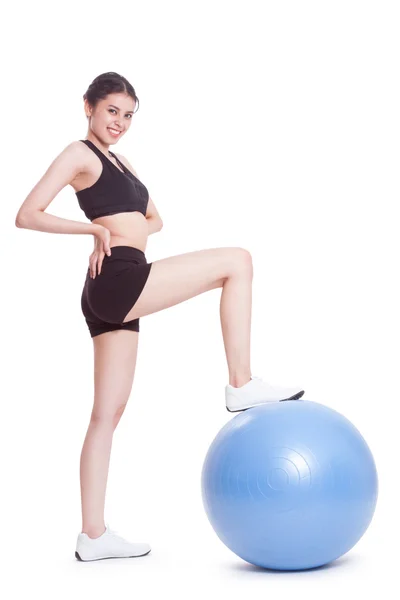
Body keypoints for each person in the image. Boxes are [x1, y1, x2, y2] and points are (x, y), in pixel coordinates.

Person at [15, 71, 305, 561]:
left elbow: (156, 220)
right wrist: (93, 231)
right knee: (237, 260)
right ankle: (240, 382)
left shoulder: (121, 161)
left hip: (120, 279)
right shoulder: (78, 153)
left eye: (128, 115)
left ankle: (93, 535)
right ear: (88, 106)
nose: (120, 122)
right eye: (111, 111)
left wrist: (118, 229)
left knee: (107, 413)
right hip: (117, 278)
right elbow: (27, 213)